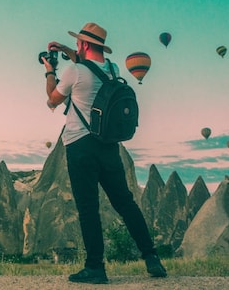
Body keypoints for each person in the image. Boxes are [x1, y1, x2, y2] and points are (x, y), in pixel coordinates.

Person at [42, 22, 167, 284]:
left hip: (80, 146)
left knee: (88, 208)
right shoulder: (112, 70)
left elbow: (53, 100)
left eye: (78, 43)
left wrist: (49, 71)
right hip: (109, 146)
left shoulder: (73, 71)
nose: (76, 46)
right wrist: (65, 48)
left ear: (85, 44)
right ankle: (151, 257)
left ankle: (95, 268)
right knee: (125, 203)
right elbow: (89, 65)